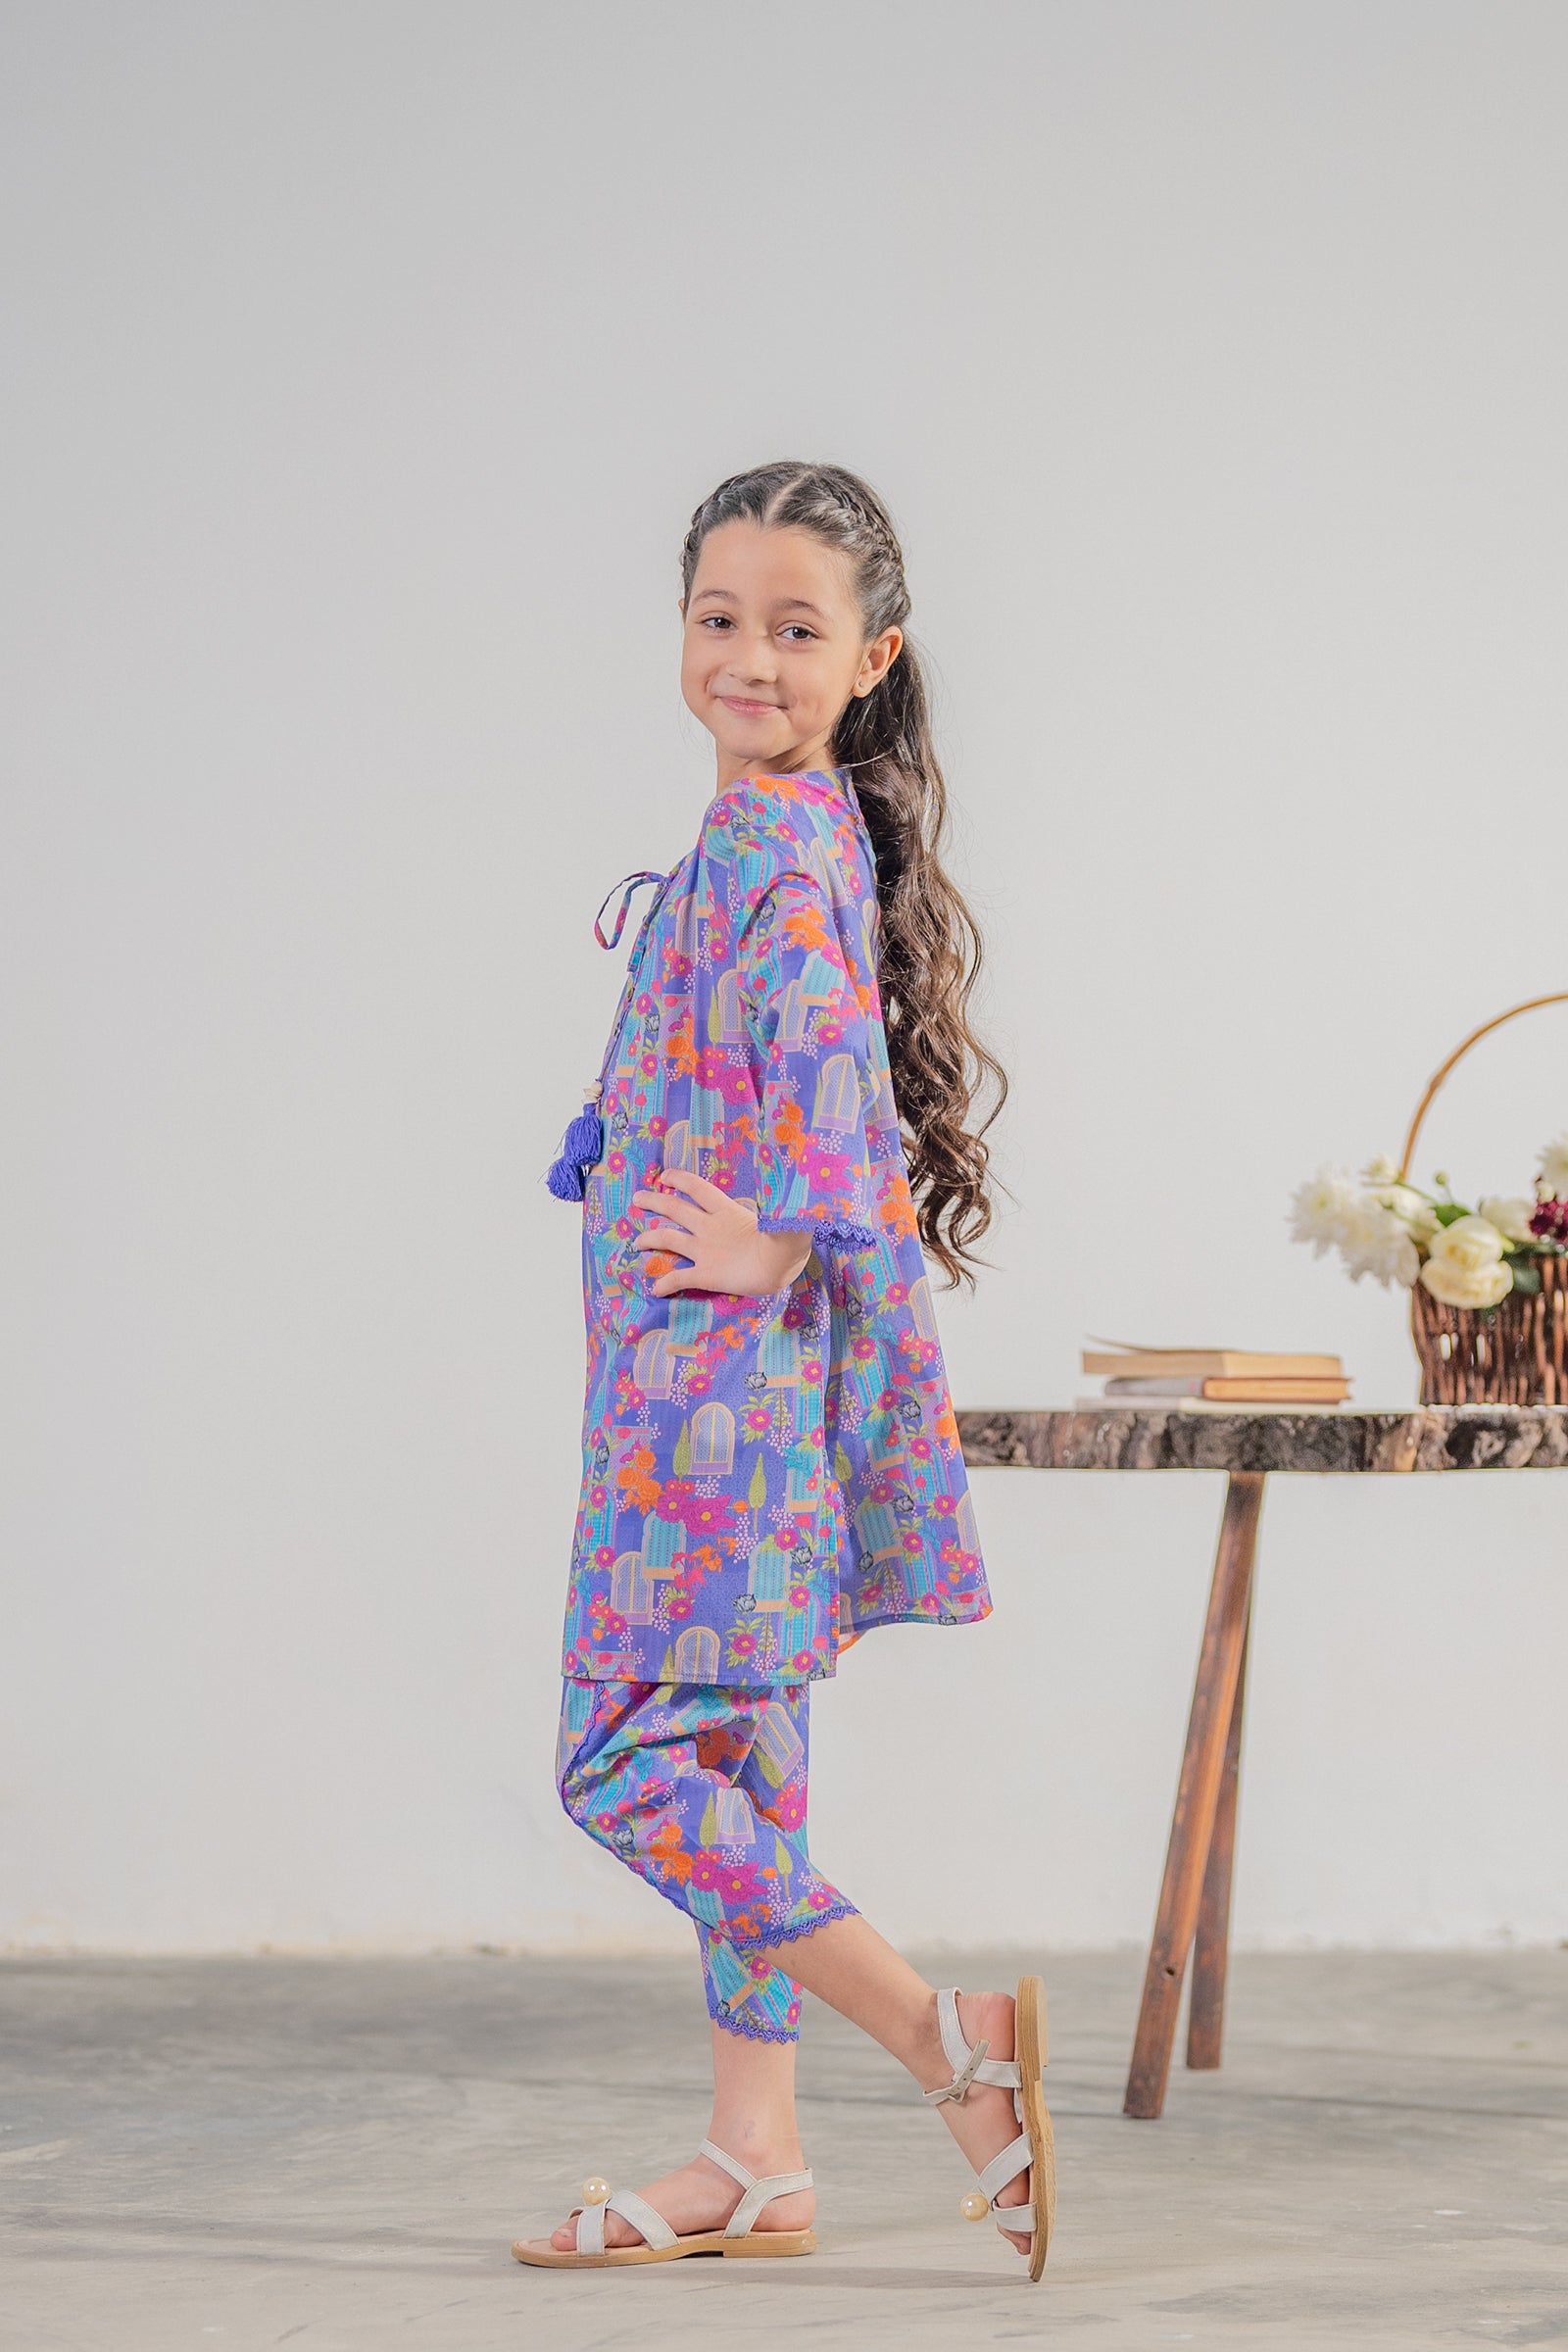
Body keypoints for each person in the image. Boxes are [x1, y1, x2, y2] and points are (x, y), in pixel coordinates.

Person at [512, 463, 1054, 2279]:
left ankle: (946, 2041)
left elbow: (834, 1075)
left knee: (619, 1762)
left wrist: (778, 1243)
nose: (748, 657)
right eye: (719, 618)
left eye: (796, 628)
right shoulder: (792, 825)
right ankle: (756, 2157)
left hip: (708, 1407)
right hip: (729, 1393)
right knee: (738, 1768)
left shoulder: (762, 840)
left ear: (871, 656)